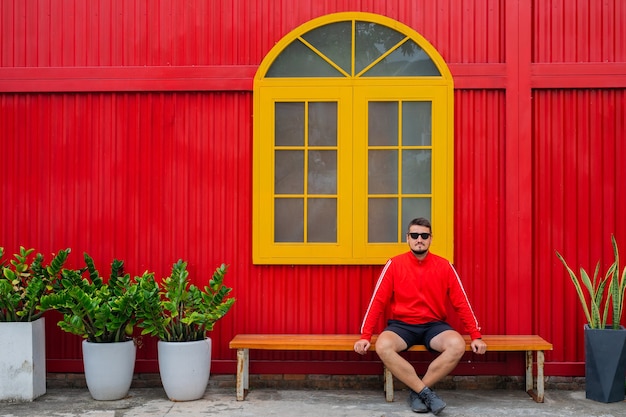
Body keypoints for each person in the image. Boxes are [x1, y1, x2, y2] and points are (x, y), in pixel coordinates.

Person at [354, 217, 487, 415]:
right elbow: (377, 302)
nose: (419, 239)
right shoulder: (394, 265)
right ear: (407, 238)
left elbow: (461, 302)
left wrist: (475, 335)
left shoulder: (444, 266)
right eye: (414, 235)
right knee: (383, 346)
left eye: (424, 235)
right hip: (402, 326)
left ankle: (418, 392)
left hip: (434, 326)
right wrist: (365, 336)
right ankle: (425, 392)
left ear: (431, 239)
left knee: (457, 345)